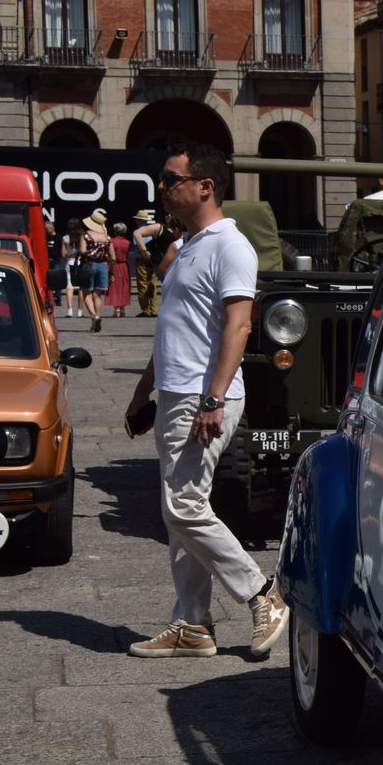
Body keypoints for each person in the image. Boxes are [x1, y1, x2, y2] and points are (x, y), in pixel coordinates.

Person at [123, 143, 289, 659]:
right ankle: (192, 625)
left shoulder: (230, 246)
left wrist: (214, 398)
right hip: (177, 394)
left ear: (205, 186)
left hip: (204, 396)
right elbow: (173, 331)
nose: (162, 187)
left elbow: (239, 326)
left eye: (171, 178)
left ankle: (261, 593)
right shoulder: (188, 246)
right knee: (178, 513)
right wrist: (142, 392)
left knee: (184, 506)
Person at [82, 207, 111, 332]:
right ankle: (98, 316)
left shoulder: (86, 236)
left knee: (86, 293)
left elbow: (82, 251)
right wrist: (112, 271)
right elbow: (113, 257)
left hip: (90, 264)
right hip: (103, 265)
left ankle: (94, 316)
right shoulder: (107, 237)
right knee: (98, 294)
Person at [62, 217, 84, 319]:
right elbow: (84, 250)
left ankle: (70, 310)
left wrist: (69, 253)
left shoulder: (65, 238)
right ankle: (80, 311)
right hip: (80, 261)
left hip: (69, 261)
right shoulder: (82, 237)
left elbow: (63, 254)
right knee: (81, 287)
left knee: (69, 287)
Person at [108, 222, 132, 318]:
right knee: (124, 286)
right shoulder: (127, 242)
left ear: (115, 231)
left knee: (115, 287)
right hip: (124, 265)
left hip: (114, 265)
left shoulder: (111, 241)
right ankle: (122, 309)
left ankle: (116, 309)